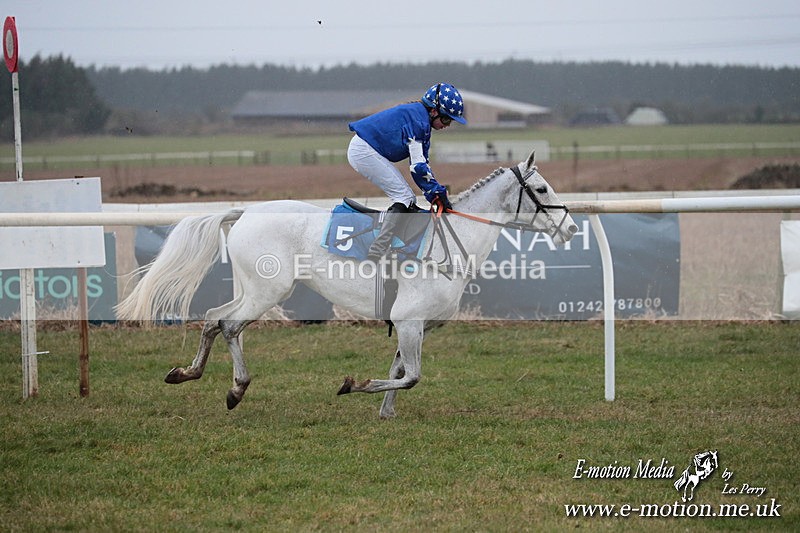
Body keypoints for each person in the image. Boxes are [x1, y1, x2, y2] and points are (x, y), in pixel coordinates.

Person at [347, 82, 467, 261]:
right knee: (403, 197)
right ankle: (376, 252)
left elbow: (423, 165)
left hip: (366, 149)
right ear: (434, 111)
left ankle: (394, 245)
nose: (448, 125)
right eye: (447, 119)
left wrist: (434, 193)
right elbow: (418, 168)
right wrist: (436, 193)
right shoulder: (418, 122)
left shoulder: (421, 121)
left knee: (408, 198)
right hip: (363, 151)